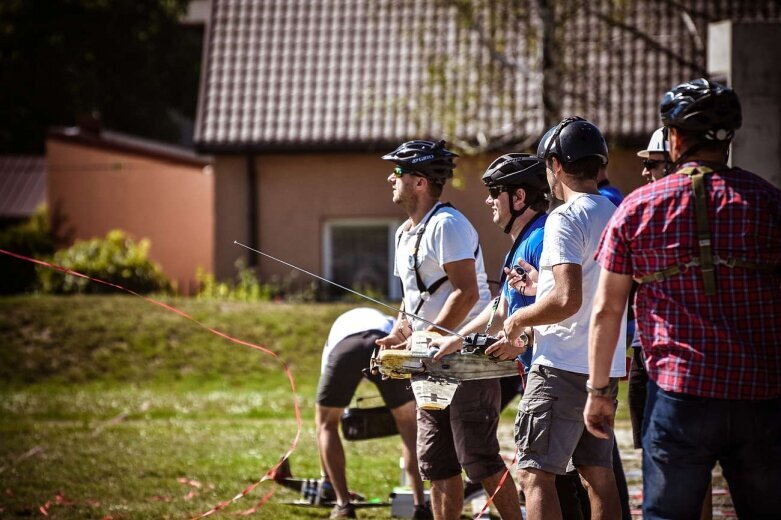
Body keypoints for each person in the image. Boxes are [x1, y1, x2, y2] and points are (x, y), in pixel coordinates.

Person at [584, 78, 781, 519]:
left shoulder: (637, 208)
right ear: (729, 137)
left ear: (674, 138)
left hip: (679, 392)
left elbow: (607, 309)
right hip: (761, 392)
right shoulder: (769, 203)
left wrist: (599, 392)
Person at [485, 117, 627, 520]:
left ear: (556, 164)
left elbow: (567, 299)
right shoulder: (613, 211)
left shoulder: (565, 217)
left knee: (534, 475)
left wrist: (517, 319)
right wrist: (537, 290)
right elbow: (589, 288)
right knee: (598, 477)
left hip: (560, 366)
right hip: (602, 367)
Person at [376, 140, 521, 520]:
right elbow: (413, 300)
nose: (391, 179)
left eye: (398, 172)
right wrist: (397, 335)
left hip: (466, 360)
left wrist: (436, 337)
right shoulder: (403, 233)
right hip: (429, 361)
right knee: (436, 462)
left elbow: (467, 290)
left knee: (479, 457)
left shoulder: (448, 225)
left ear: (420, 181)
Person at [315, 307, 428, 519]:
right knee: (409, 424)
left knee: (326, 424)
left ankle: (342, 504)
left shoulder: (336, 333)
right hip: (382, 342)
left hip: (345, 348)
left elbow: (326, 418)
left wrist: (325, 477)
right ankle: (420, 505)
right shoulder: (384, 321)